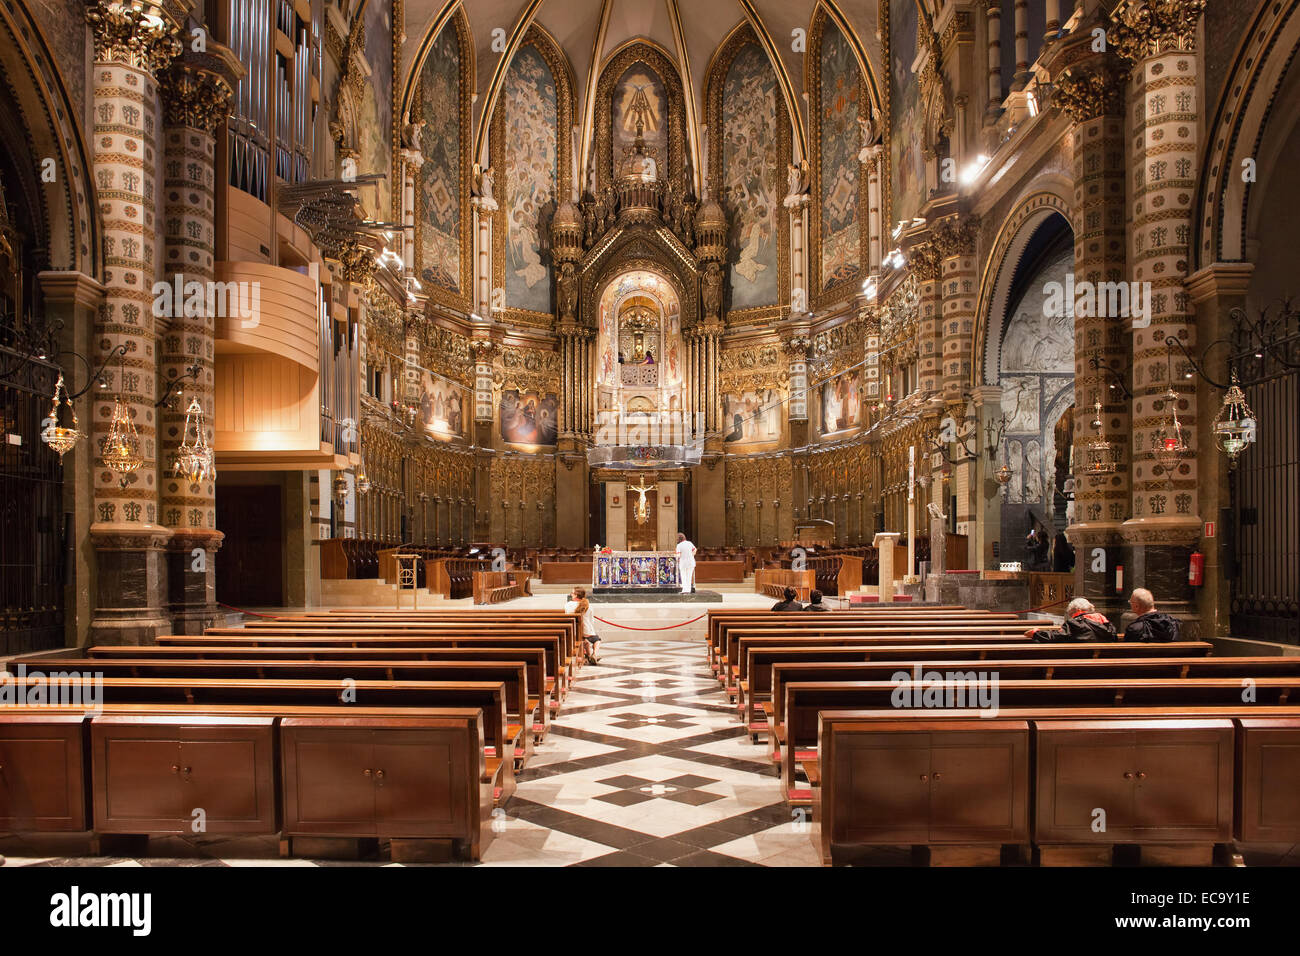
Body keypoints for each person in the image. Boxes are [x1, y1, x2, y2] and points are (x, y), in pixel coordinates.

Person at [1025, 597, 1116, 642]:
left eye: (1071, 614)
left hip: (1080, 662)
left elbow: (1056, 636)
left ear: (1078, 611)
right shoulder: (1106, 623)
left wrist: (1036, 633)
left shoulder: (1075, 624)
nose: (1072, 617)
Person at [565, 586, 601, 664]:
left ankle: (588, 656)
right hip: (586, 631)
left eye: (572, 593)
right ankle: (594, 654)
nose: (571, 594)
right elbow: (591, 620)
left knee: (584, 640)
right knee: (597, 640)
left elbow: (567, 617)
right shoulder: (589, 606)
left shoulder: (568, 605)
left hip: (574, 631)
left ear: (576, 595)